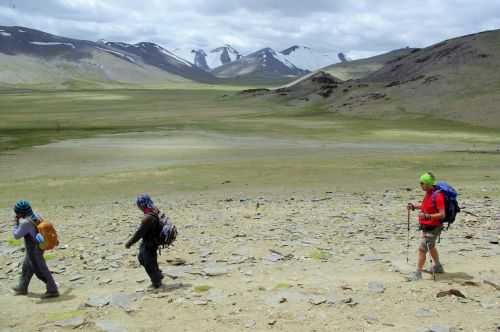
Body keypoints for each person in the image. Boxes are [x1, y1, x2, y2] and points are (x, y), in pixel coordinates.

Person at [11, 200, 59, 298]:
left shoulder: (25, 223)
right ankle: (22, 287)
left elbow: (16, 235)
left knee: (40, 270)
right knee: (26, 267)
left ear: (20, 213)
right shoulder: (37, 215)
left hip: (34, 249)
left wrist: (16, 223)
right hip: (39, 246)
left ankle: (52, 289)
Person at [407, 172, 446, 281]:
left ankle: (418, 274)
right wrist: (414, 206)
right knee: (431, 246)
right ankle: (438, 267)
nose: (420, 185)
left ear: (428, 183)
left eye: (422, 183)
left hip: (434, 227)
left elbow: (442, 214)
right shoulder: (429, 192)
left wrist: (427, 216)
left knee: (422, 249)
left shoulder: (438, 195)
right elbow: (425, 206)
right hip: (427, 226)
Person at [125, 194, 164, 289]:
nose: (138, 207)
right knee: (145, 259)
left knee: (148, 262)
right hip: (153, 242)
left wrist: (129, 243)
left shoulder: (147, 218)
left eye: (138, 205)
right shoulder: (154, 211)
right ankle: (158, 275)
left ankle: (157, 283)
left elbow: (139, 233)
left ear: (142, 205)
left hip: (149, 244)